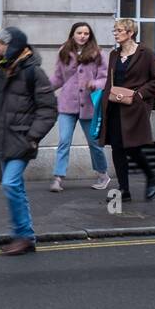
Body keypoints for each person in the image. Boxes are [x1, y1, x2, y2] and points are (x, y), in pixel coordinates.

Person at [0, 26, 59, 255]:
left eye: (1, 42)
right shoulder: (0, 69)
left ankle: (24, 236)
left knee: (10, 183)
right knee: (15, 186)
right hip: (4, 138)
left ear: (14, 45)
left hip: (22, 139)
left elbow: (49, 109)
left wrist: (32, 137)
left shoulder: (33, 72)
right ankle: (24, 235)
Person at [97, 18, 155, 203]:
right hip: (114, 107)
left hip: (134, 109)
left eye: (119, 30)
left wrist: (140, 95)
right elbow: (111, 81)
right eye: (115, 30)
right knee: (117, 148)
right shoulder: (114, 55)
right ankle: (124, 190)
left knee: (133, 147)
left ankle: (151, 176)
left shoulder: (146, 54)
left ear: (130, 33)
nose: (115, 33)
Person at [49, 21, 110, 192]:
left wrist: (95, 83)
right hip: (67, 104)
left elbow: (106, 79)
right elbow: (58, 78)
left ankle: (103, 174)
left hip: (89, 105)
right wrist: (43, 88)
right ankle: (58, 178)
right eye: (79, 33)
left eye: (86, 33)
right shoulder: (64, 52)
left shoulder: (97, 53)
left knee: (94, 143)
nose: (82, 36)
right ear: (72, 34)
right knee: (64, 141)